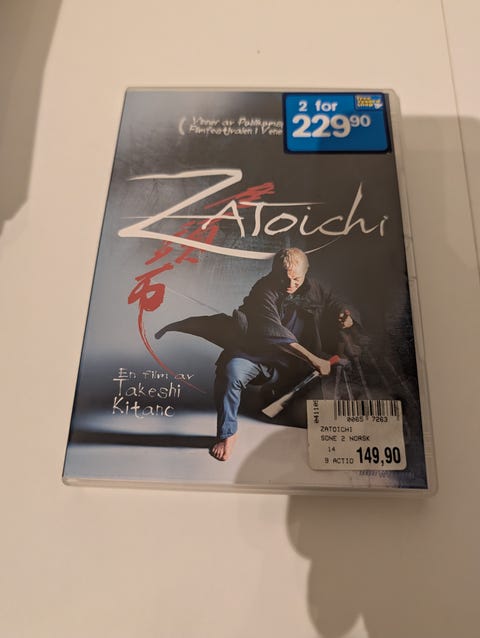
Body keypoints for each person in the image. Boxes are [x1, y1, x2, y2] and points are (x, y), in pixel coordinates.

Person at [156, 248, 356, 461]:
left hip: (293, 363)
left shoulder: (314, 288)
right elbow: (276, 333)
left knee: (310, 414)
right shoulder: (263, 289)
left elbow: (334, 301)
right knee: (230, 373)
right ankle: (227, 434)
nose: (290, 285)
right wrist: (314, 360)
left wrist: (345, 314)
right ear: (275, 271)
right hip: (254, 355)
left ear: (306, 272)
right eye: (285, 278)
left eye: (296, 279)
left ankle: (280, 397)